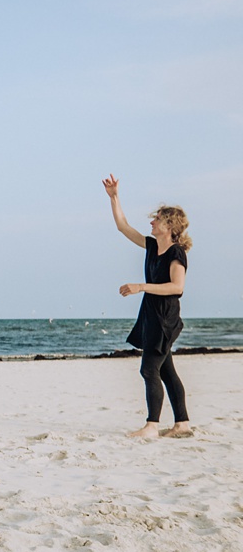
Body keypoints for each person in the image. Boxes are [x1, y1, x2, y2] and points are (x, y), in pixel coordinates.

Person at [103, 174, 192, 439]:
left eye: (157, 219)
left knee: (148, 369)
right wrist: (114, 197)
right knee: (166, 370)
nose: (151, 222)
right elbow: (123, 226)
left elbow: (177, 287)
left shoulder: (177, 253)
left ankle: (152, 426)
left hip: (165, 319)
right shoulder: (152, 246)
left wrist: (141, 286)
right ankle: (182, 424)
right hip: (151, 316)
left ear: (169, 225)